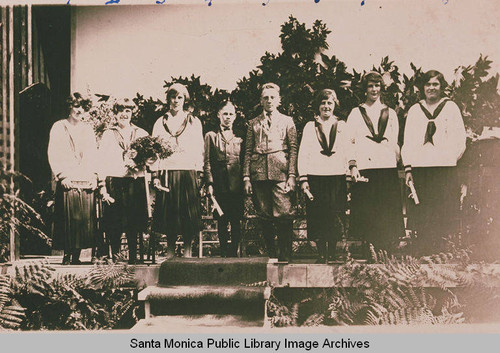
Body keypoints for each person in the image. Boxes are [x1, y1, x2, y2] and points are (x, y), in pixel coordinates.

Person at [402, 70, 466, 255]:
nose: (431, 88)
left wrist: (448, 158)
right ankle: (423, 250)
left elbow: (460, 138)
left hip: (444, 169)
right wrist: (409, 168)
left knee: (443, 208)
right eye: (428, 84)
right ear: (423, 87)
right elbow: (408, 140)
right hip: (421, 168)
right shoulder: (415, 110)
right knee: (423, 209)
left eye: (435, 84)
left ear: (441, 87)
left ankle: (442, 251)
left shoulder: (451, 108)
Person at [346, 71, 404, 255]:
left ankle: (385, 249)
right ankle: (368, 249)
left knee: (386, 207)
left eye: (377, 85)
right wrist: (353, 165)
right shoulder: (356, 113)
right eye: (370, 86)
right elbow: (349, 140)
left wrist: (394, 159)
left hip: (386, 167)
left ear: (381, 88)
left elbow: (394, 140)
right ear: (365, 89)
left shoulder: (391, 113)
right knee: (367, 208)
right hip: (365, 167)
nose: (374, 89)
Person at [243, 83, 298, 262]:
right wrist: (246, 177)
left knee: (284, 213)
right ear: (261, 101)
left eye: (272, 97)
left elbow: (293, 149)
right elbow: (248, 151)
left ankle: (285, 254)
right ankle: (272, 254)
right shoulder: (253, 123)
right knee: (264, 215)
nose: (269, 100)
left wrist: (291, 175)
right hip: (259, 173)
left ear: (279, 100)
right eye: (265, 97)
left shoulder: (287, 121)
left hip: (281, 173)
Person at [151, 83, 204, 258]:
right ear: (168, 99)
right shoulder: (160, 122)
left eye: (179, 97)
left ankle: (188, 253)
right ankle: (171, 253)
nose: (176, 101)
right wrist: (156, 174)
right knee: (170, 214)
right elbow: (155, 151)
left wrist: (199, 172)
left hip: (187, 171)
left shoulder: (193, 121)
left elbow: (199, 148)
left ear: (184, 99)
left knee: (188, 214)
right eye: (173, 97)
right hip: (167, 171)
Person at [298, 89, 350, 263]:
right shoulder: (309, 126)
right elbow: (303, 152)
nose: (326, 106)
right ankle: (321, 253)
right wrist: (303, 178)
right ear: (318, 106)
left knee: (335, 213)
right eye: (323, 103)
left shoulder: (342, 125)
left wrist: (348, 174)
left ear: (335, 105)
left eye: (329, 103)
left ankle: (333, 253)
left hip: (336, 176)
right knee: (318, 215)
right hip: (316, 176)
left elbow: (347, 151)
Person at [48, 93, 99, 265]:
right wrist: (61, 175)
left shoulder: (88, 129)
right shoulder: (58, 126)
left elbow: (93, 154)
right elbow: (53, 152)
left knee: (82, 219)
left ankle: (77, 255)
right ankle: (67, 255)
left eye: (83, 107)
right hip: (67, 179)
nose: (79, 110)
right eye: (76, 106)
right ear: (70, 106)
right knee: (67, 218)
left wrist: (93, 176)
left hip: (84, 179)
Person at [98, 98, 149, 264]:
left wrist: (139, 163)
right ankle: (118, 257)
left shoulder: (141, 133)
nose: (124, 114)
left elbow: (151, 158)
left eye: (127, 110)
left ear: (132, 113)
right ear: (115, 113)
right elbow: (102, 161)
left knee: (134, 221)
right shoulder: (108, 134)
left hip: (135, 180)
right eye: (120, 110)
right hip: (115, 180)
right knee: (115, 222)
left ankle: (134, 257)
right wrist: (102, 185)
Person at [204, 100, 244, 257]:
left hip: (236, 184)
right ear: (218, 115)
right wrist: (209, 183)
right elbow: (207, 161)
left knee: (236, 219)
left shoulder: (240, 135)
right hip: (219, 184)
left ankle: (234, 252)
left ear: (235, 116)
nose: (228, 117)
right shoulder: (211, 136)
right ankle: (223, 253)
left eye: (231, 114)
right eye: (225, 114)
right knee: (221, 219)